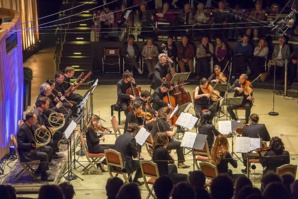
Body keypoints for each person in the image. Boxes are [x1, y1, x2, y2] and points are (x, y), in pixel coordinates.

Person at [17, 112, 53, 181]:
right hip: (26, 153)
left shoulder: (31, 126)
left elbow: (35, 135)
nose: (36, 121)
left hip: (32, 149)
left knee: (49, 149)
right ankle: (42, 175)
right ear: (30, 119)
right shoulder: (23, 129)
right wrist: (31, 145)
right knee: (44, 155)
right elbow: (19, 144)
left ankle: (42, 171)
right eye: (35, 119)